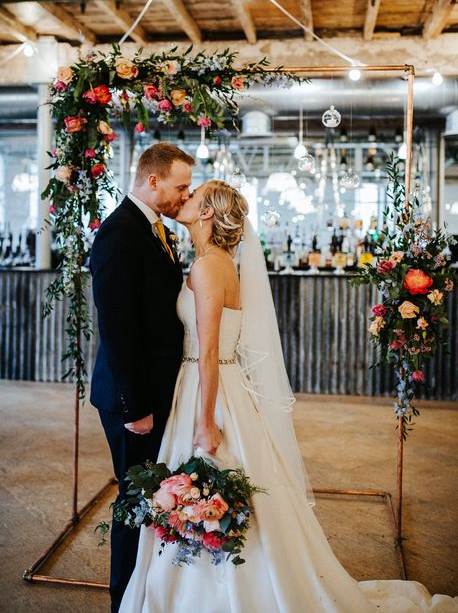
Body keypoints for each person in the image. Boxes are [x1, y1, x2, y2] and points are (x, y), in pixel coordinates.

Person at [120, 179, 458, 613]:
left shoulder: (208, 268)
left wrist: (205, 422)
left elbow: (206, 354)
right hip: (217, 385)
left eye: (193, 195)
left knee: (214, 477)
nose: (184, 199)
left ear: (207, 213)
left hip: (209, 390)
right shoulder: (215, 261)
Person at [90, 142, 195, 613]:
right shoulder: (119, 233)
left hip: (156, 386)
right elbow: (116, 327)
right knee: (134, 499)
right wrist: (136, 408)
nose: (183, 196)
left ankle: (146, 592)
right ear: (153, 181)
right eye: (180, 187)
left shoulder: (156, 229)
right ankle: (122, 601)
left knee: (153, 492)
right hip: (130, 398)